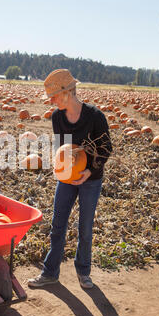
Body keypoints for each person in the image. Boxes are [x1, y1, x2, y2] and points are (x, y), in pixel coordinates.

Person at [28, 69, 112, 289]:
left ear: (67, 92)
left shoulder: (95, 116)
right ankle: (50, 272)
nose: (51, 101)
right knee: (58, 225)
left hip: (91, 178)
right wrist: (59, 167)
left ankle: (83, 271)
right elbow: (61, 148)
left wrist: (89, 172)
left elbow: (105, 148)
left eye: (54, 96)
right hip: (66, 176)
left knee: (85, 227)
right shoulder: (57, 117)